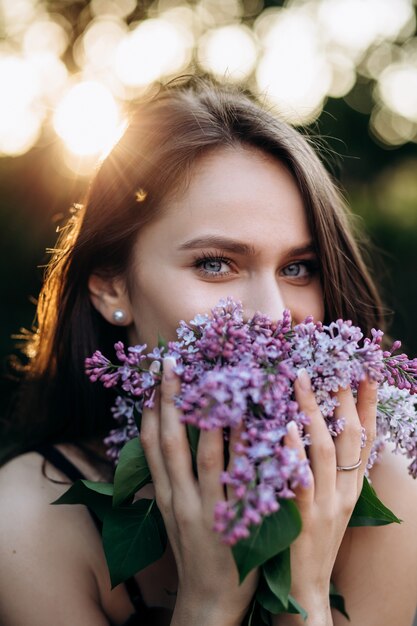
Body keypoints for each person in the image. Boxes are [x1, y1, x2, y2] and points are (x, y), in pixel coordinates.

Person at [0, 76, 416, 626]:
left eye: (298, 267)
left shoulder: (380, 476)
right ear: (111, 287)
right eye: (215, 263)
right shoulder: (27, 522)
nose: (271, 314)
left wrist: (305, 596)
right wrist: (209, 602)